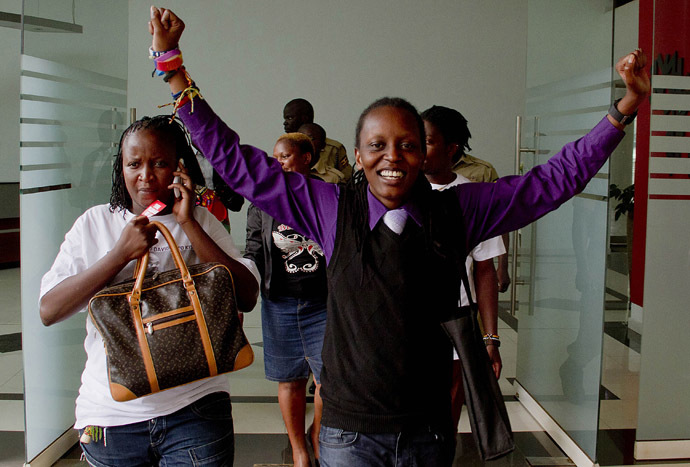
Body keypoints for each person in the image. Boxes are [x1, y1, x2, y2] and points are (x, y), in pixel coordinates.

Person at [148, 7, 649, 465]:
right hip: (347, 433)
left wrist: (622, 110)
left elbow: (552, 182)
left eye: (407, 145)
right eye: (377, 145)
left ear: (425, 153)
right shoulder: (329, 207)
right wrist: (172, 69)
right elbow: (238, 162)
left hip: (426, 432)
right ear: (359, 154)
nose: (393, 156)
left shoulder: (459, 210)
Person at [38, 115, 260, 466]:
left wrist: (187, 222)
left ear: (178, 167)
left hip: (195, 407)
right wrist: (119, 255)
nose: (145, 175)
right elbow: (49, 311)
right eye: (134, 164)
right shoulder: (95, 224)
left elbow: (246, 296)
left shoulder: (200, 221)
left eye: (159, 163)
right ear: (120, 168)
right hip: (110, 417)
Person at [245, 133, 327, 467]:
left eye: (285, 157)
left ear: (307, 158)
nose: (278, 163)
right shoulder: (263, 202)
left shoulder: (328, 196)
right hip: (279, 302)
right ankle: (298, 449)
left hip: (324, 302)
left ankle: (318, 437)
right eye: (275, 158)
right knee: (289, 379)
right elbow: (252, 249)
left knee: (329, 379)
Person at [422, 111, 504, 431]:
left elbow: (485, 270)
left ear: (452, 148)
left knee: (448, 413)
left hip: (454, 320)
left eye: (427, 142)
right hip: (402, 319)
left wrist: (490, 337)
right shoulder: (395, 192)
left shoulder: (474, 199)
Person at [431, 106, 512, 293]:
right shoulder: (419, 170)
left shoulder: (482, 170)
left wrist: (503, 265)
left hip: (474, 262)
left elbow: (499, 221)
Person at [283, 98, 353, 180]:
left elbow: (348, 179)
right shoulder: (283, 148)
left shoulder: (333, 148)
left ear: (304, 118)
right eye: (285, 119)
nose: (285, 122)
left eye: (290, 118)